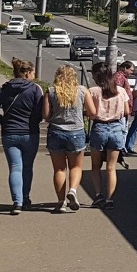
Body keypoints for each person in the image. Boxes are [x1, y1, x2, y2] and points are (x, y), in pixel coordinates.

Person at [0, 58, 45, 214]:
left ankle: (17, 202)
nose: (34, 75)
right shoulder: (35, 89)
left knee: (15, 167)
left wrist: (3, 121)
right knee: (27, 167)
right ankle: (26, 199)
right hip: (30, 133)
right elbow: (39, 111)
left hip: (9, 133)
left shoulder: (4, 88)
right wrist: (33, 123)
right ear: (27, 73)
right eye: (33, 72)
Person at [42, 64, 87, 212]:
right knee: (76, 166)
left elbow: (46, 116)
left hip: (56, 132)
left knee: (59, 169)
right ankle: (73, 190)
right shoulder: (81, 91)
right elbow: (92, 112)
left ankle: (61, 202)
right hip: (76, 132)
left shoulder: (51, 91)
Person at [86, 63, 130, 209]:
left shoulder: (92, 91)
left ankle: (98, 195)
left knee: (95, 166)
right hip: (117, 128)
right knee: (111, 168)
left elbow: (91, 113)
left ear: (96, 75)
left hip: (99, 127)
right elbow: (126, 112)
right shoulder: (120, 91)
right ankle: (110, 199)